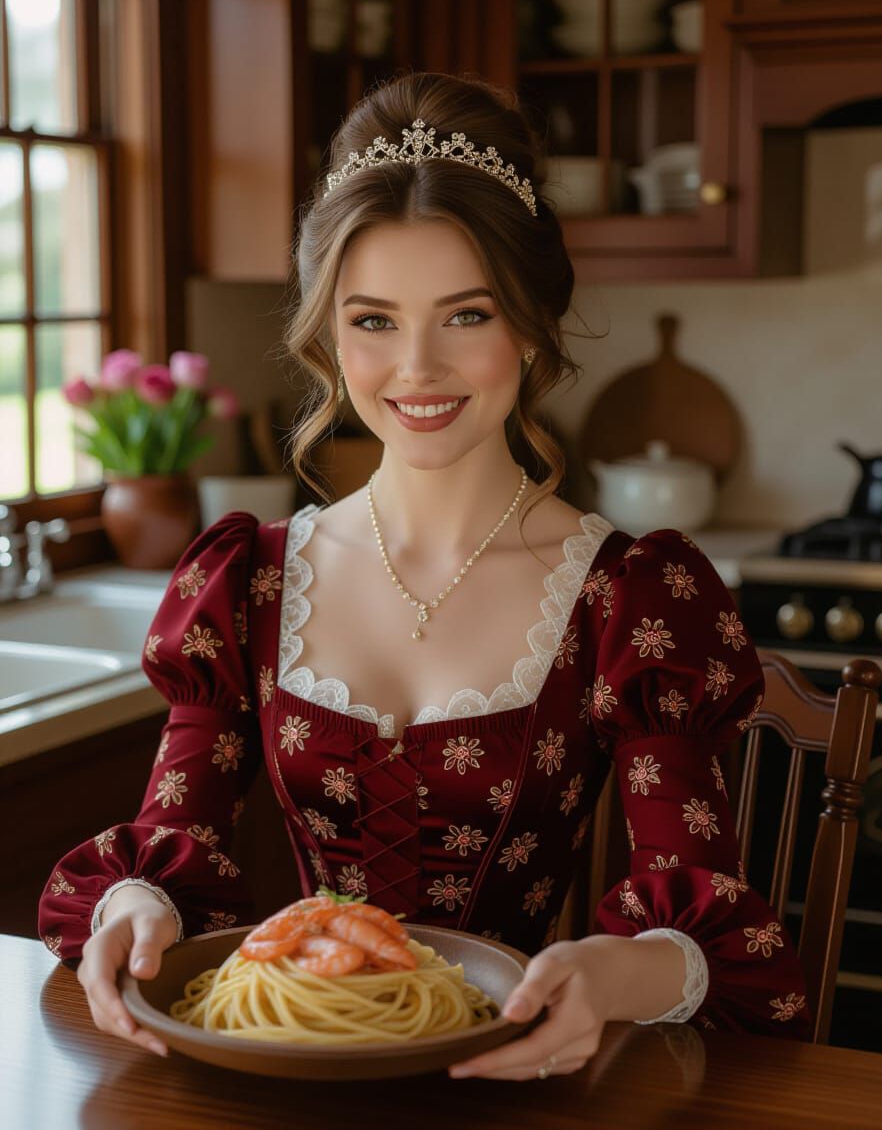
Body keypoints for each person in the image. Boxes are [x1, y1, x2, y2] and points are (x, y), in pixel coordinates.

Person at [39, 71, 811, 1080]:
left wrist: (608, 980)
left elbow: (700, 920)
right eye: (372, 321)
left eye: (465, 315)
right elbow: (170, 838)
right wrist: (136, 903)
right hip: (288, 1066)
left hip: (516, 1077)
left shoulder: (629, 599)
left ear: (532, 323)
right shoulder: (250, 582)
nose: (415, 369)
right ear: (325, 333)